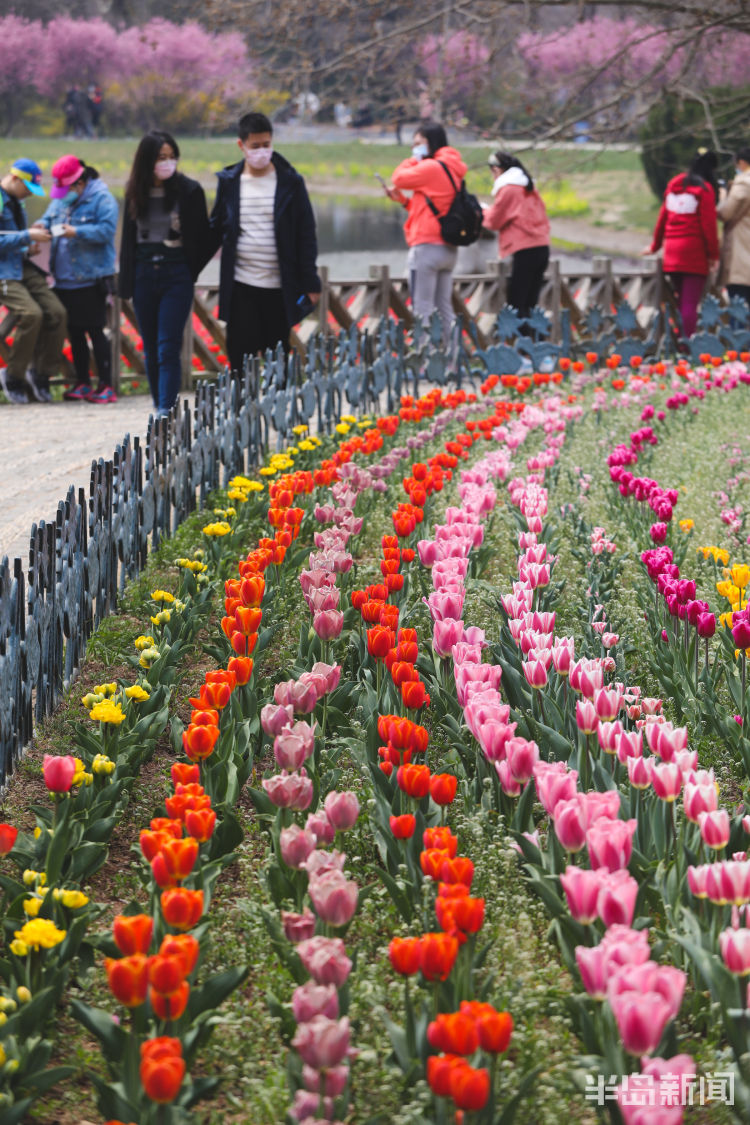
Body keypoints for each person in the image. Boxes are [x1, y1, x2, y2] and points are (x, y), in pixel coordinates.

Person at [209, 110, 321, 374]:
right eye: (255, 146)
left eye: (266, 145)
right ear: (241, 145)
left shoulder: (290, 183)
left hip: (278, 286)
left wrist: (310, 281)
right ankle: (240, 413)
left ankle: (277, 413)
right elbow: (216, 228)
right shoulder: (229, 183)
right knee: (240, 359)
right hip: (241, 285)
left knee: (277, 359)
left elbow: (306, 233)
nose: (262, 151)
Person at [119, 131, 211, 417]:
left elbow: (202, 238)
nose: (168, 163)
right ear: (147, 160)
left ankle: (165, 410)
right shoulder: (135, 191)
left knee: (167, 346)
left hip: (176, 275)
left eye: (172, 157)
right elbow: (128, 240)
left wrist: (187, 270)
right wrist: (127, 282)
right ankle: (158, 404)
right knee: (149, 346)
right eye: (161, 157)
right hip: (144, 274)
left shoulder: (190, 190)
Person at [34, 154, 118, 403]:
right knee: (75, 333)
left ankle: (106, 385)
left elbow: (106, 231)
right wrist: (40, 225)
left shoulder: (102, 198)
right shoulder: (62, 201)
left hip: (90, 279)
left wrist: (76, 232)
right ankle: (82, 382)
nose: (63, 195)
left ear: (79, 184)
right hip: (63, 280)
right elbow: (49, 217)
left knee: (95, 331)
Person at [386, 121, 467, 342]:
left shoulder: (431, 168)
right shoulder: (453, 168)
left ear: (432, 142)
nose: (415, 148)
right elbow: (432, 207)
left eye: (419, 143)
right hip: (447, 249)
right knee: (445, 308)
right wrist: (403, 201)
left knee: (422, 307)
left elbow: (399, 178)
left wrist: (414, 159)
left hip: (426, 248)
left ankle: (425, 362)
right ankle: (453, 361)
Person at [0, 158, 66, 405]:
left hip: (20, 264)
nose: (29, 194)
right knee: (31, 314)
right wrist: (26, 236)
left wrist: (28, 248)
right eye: (28, 188)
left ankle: (40, 374)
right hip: (3, 272)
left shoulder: (18, 203)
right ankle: (13, 376)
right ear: (15, 179)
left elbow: (13, 239)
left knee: (57, 312)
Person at [645, 149, 720, 340]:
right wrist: (714, 255)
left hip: (671, 251)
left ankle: (677, 339)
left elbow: (662, 219)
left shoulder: (674, 185)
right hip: (693, 252)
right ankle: (687, 345)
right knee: (689, 304)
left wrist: (654, 246)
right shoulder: (704, 189)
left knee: (678, 300)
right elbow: (709, 226)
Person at [482, 151, 550, 320]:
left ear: (497, 170)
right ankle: (535, 342)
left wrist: (482, 211)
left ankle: (521, 344)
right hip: (542, 247)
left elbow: (493, 221)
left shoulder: (509, 189)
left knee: (516, 304)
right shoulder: (529, 187)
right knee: (531, 303)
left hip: (524, 249)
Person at [718, 146, 750, 308]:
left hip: (742, 259)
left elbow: (725, 213)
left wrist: (723, 197)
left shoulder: (743, 184)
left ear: (742, 163)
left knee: (737, 309)